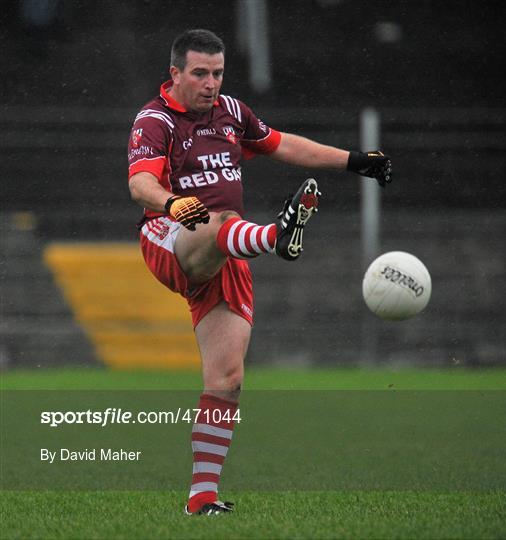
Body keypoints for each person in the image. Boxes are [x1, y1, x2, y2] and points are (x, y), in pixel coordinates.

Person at [127, 29, 392, 516]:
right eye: (200, 73)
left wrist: (355, 162)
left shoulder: (230, 112)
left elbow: (283, 145)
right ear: (175, 74)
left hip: (226, 253)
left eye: (219, 73)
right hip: (170, 238)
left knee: (226, 379)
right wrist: (172, 202)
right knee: (219, 220)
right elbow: (140, 183)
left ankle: (201, 499)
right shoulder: (155, 119)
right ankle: (275, 237)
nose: (211, 83)